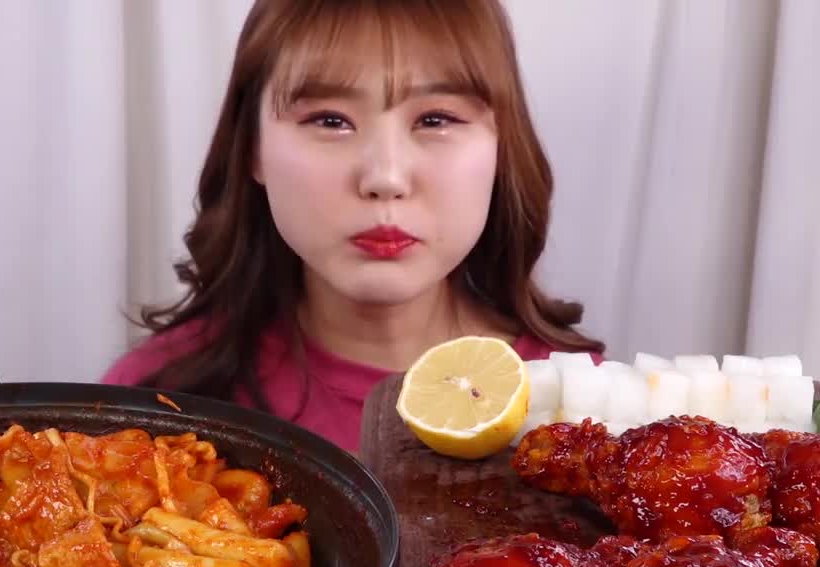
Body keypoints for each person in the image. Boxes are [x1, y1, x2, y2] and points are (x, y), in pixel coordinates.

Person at [103, 0, 602, 455]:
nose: (385, 178)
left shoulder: (589, 413)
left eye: (435, 120)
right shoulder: (149, 410)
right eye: (330, 121)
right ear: (252, 147)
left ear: (501, 147)